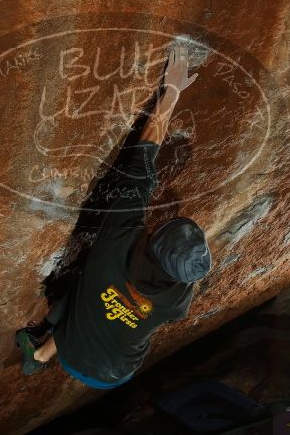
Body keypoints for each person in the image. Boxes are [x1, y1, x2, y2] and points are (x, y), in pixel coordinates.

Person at [16, 44, 211, 389]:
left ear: (153, 238)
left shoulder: (116, 242)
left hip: (75, 356)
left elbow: (144, 154)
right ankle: (45, 353)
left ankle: (41, 354)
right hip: (118, 374)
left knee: (82, 288)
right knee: (106, 310)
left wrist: (172, 92)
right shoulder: (177, 302)